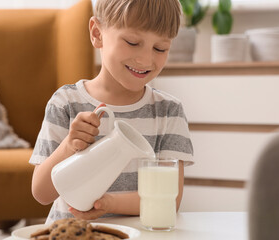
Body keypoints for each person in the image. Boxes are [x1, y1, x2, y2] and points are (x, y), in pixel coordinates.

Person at [29, 0, 194, 224]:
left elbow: (168, 201)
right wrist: (69, 145)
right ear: (97, 33)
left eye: (160, 48)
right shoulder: (65, 103)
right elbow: (41, 193)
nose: (146, 59)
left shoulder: (168, 112)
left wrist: (108, 204)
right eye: (132, 42)